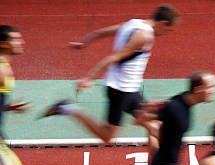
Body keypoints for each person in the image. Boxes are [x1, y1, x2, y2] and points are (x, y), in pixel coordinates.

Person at [40, 5, 179, 144]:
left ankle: (158, 162)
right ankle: (67, 108)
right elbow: (113, 58)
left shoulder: (133, 23)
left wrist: (84, 42)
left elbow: (99, 33)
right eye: (169, 30)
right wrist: (89, 78)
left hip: (131, 87)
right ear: (163, 23)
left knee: (153, 124)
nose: (168, 33)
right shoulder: (144, 36)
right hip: (121, 90)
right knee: (107, 136)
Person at [0, 25, 29, 165]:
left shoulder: (5, 65)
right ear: (3, 44)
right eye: (16, 39)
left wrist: (8, 107)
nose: (22, 43)